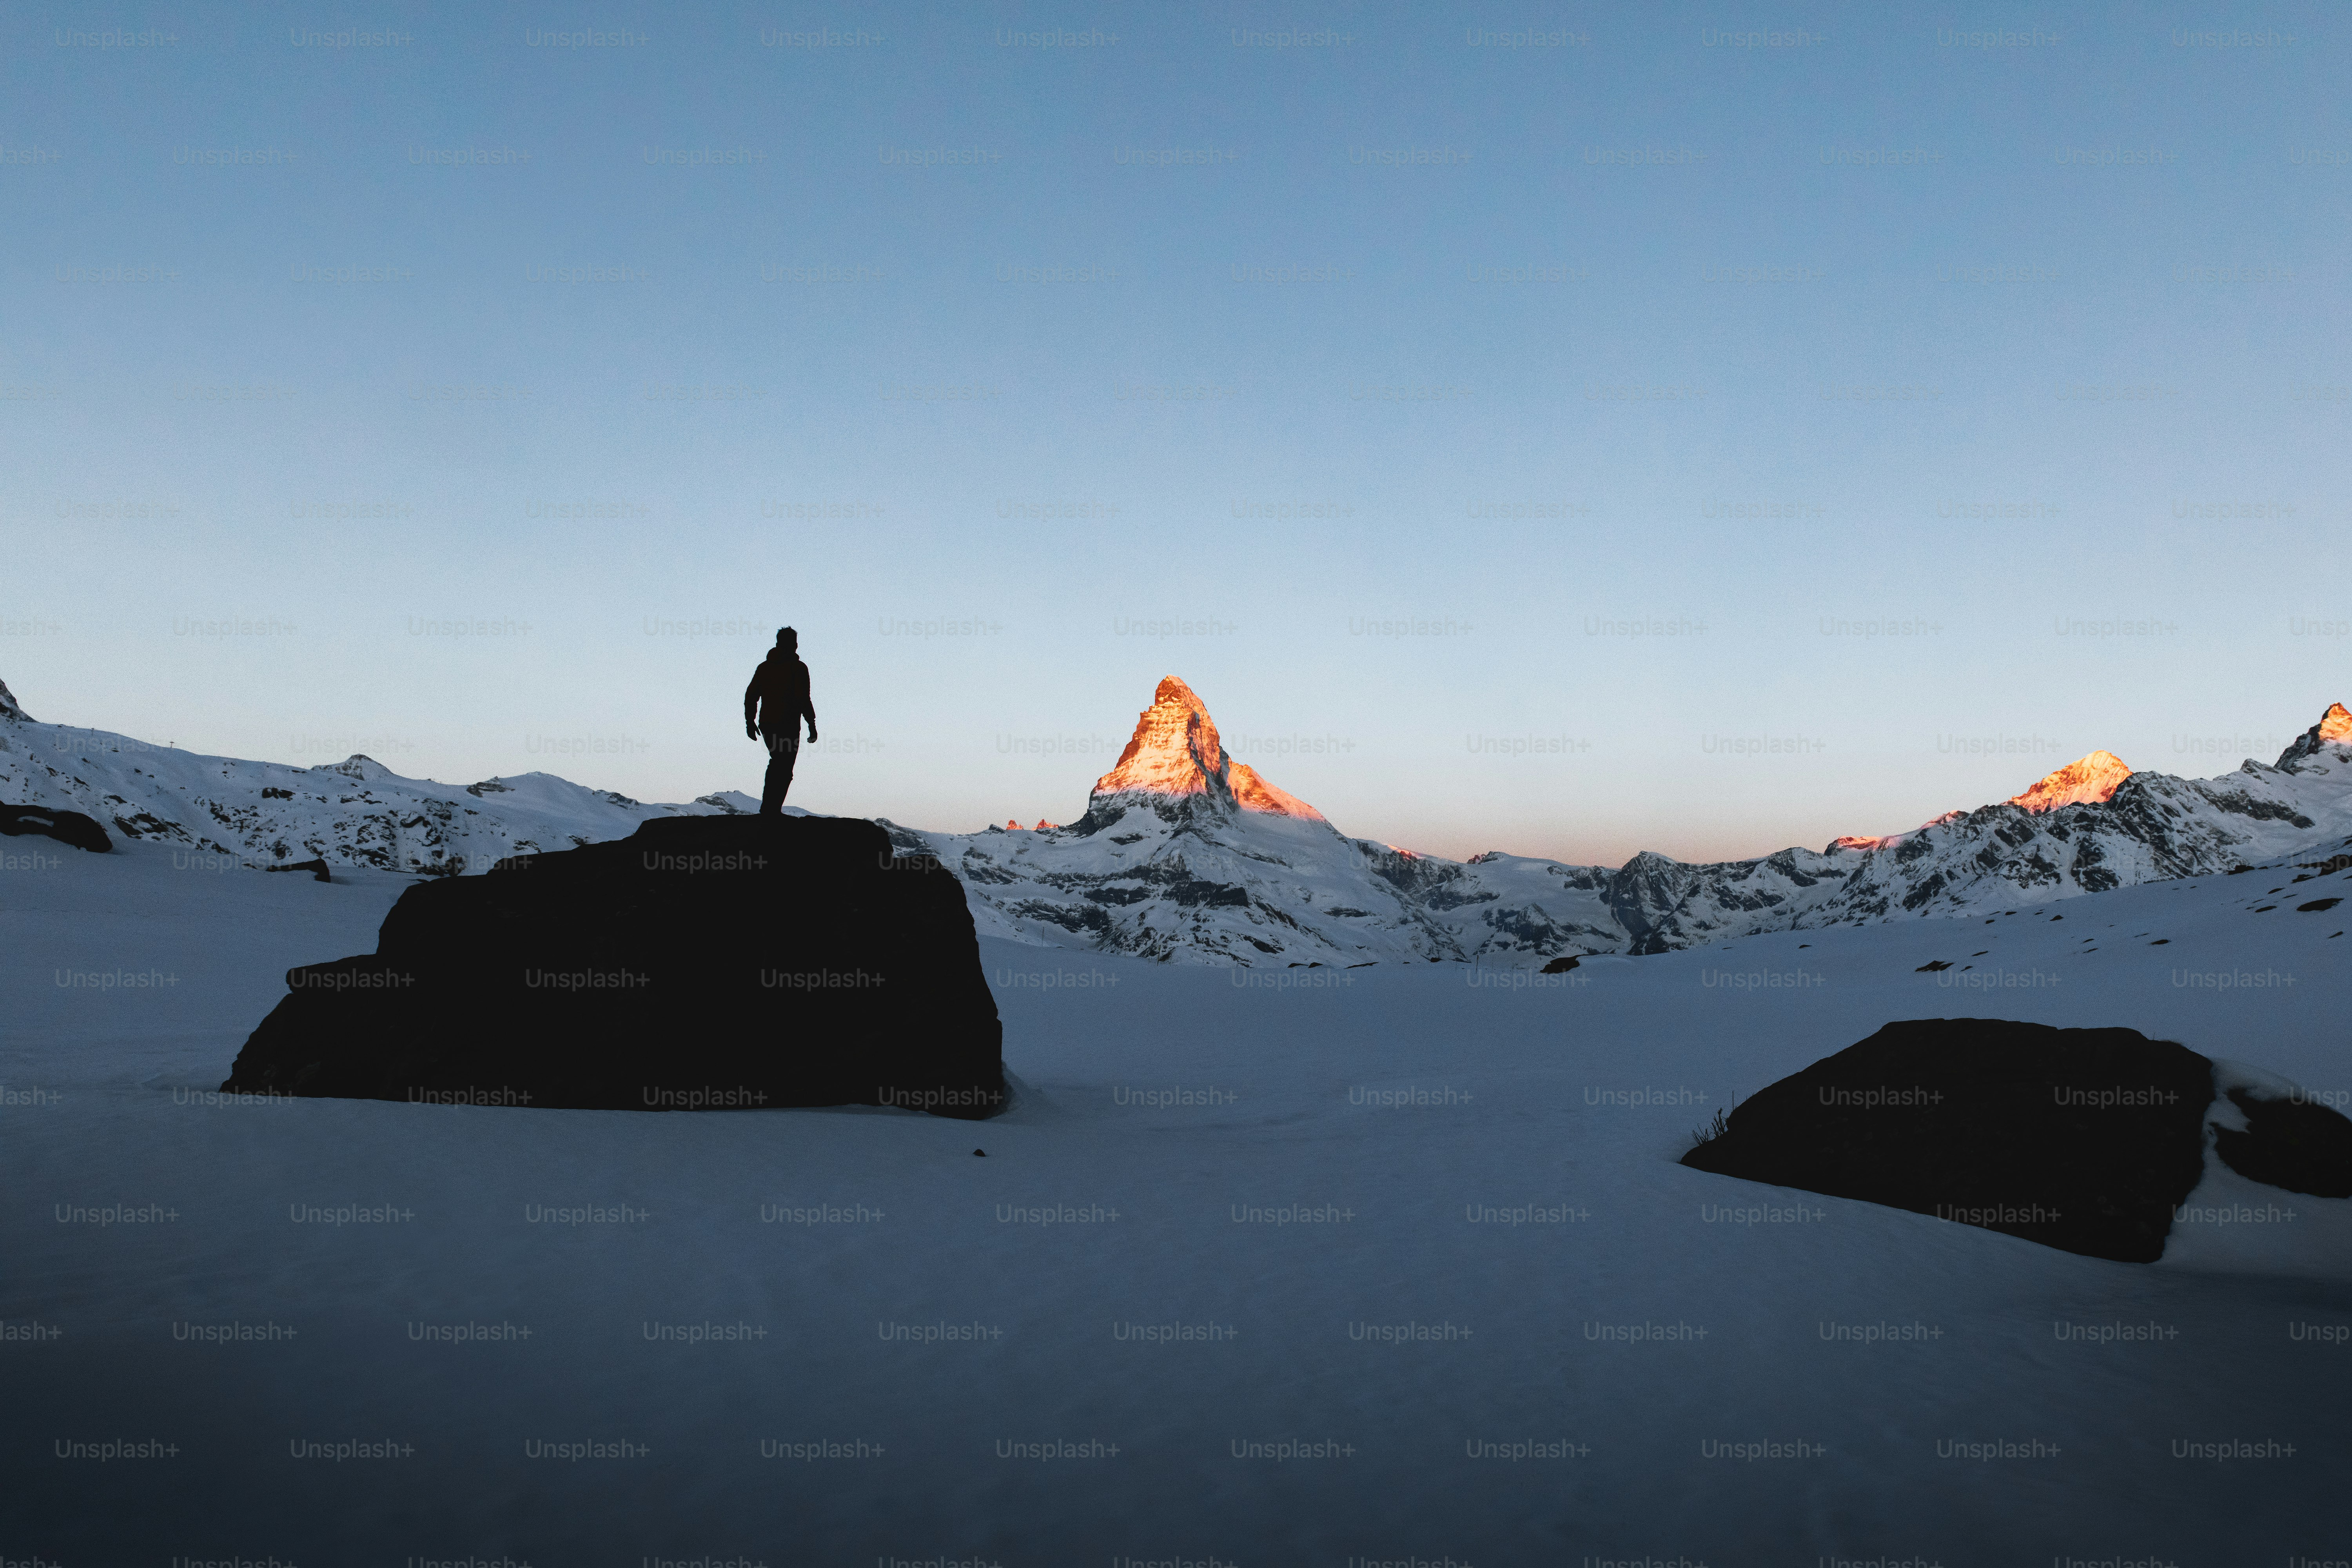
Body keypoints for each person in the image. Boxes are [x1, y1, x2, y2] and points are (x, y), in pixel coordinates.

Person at [744, 627, 818, 814]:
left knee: (778, 762)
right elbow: (804, 698)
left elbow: (751, 696)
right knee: (783, 767)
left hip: (768, 724)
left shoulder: (765, 667)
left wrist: (750, 721)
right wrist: (812, 724)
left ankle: (770, 809)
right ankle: (771, 811)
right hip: (788, 725)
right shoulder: (798, 668)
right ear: (795, 645)